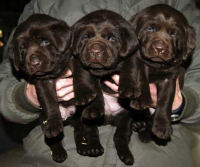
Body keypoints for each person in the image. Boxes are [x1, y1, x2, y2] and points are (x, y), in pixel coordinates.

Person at [0, 0, 200, 166]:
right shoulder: (45, 3)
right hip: (64, 142)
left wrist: (176, 105)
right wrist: (29, 97)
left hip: (158, 151)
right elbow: (7, 77)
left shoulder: (179, 4)